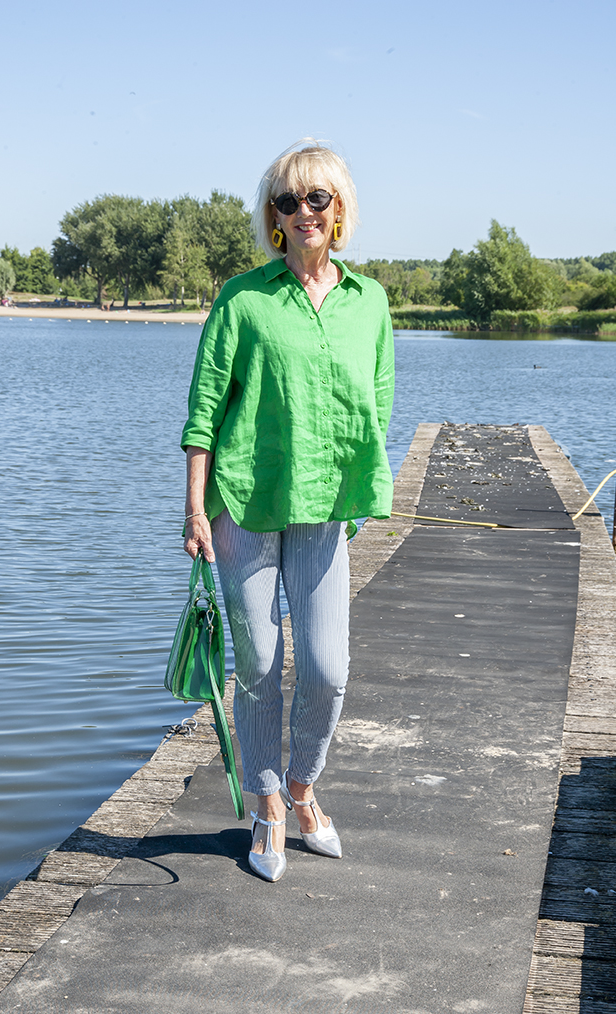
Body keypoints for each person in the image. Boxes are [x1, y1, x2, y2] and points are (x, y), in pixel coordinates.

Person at [181, 140, 395, 882]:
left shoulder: (369, 300)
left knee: (329, 669)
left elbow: (376, 402)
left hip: (325, 508)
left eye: (317, 200)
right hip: (243, 504)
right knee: (259, 666)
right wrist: (194, 509)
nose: (302, 213)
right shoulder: (242, 298)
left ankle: (304, 783)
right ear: (271, 215)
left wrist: (362, 493)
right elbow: (204, 408)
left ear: (339, 211)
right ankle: (267, 804)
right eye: (286, 200)